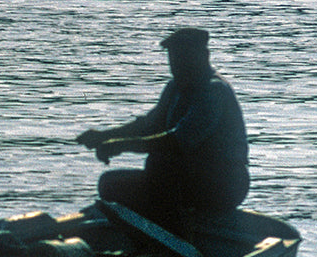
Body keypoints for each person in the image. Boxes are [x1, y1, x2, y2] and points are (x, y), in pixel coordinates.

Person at [76, 27, 250, 220]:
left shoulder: (213, 91)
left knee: (162, 164)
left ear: (204, 56)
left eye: (184, 56)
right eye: (173, 57)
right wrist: (104, 136)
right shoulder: (174, 87)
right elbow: (148, 125)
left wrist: (121, 145)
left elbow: (177, 141)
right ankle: (156, 230)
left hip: (225, 184)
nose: (177, 63)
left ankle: (180, 235)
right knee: (109, 184)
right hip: (186, 179)